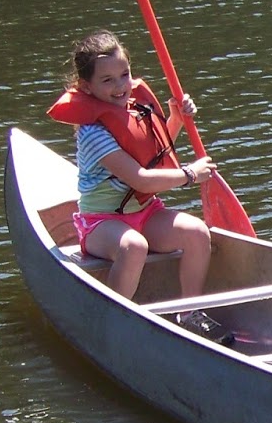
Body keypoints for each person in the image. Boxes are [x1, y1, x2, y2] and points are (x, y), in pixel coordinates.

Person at [46, 29, 233, 345]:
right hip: (102, 223)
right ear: (86, 87)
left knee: (197, 233)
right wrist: (189, 174)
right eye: (107, 80)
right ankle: (114, 320)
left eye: (124, 74)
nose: (120, 86)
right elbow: (140, 179)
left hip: (146, 213)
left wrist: (174, 117)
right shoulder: (92, 134)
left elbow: (156, 156)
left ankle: (189, 314)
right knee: (134, 247)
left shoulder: (135, 110)